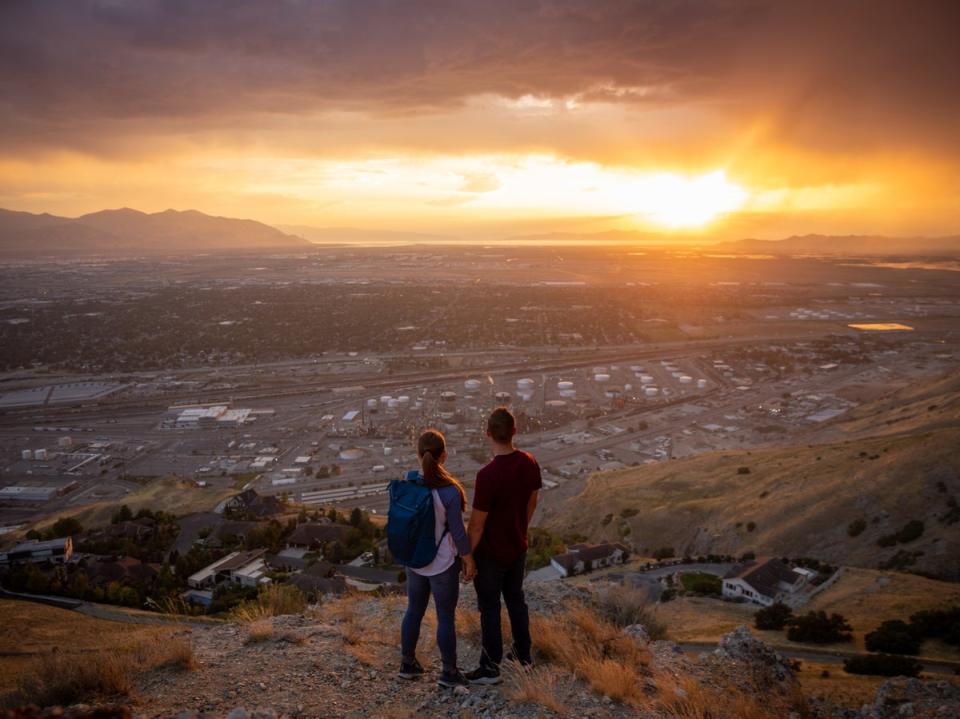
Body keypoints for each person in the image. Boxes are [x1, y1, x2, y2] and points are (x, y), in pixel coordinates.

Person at [465, 407, 542, 685]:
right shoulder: (529, 462)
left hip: (491, 553)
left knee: (489, 607)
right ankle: (523, 658)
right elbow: (531, 502)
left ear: (488, 434)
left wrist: (468, 556)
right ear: (514, 431)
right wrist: (521, 528)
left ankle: (490, 667)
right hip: (517, 545)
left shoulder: (487, 475)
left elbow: (476, 524)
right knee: (516, 601)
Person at [399, 429, 477, 688]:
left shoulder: (408, 481)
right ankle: (449, 672)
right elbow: (457, 531)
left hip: (415, 559)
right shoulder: (450, 491)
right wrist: (469, 560)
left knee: (413, 611)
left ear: (418, 454)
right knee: (445, 617)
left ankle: (407, 664)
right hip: (442, 563)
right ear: (444, 455)